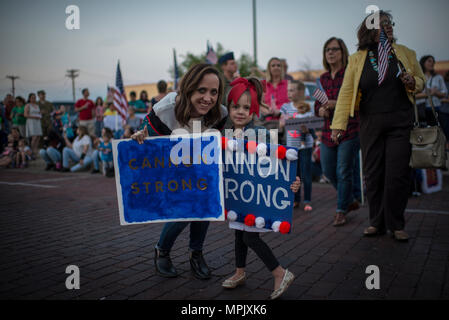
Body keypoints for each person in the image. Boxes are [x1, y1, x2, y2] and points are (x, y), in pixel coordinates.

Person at [330, 11, 425, 241]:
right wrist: (338, 125)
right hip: (370, 122)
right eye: (382, 24)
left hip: (400, 121)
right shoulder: (357, 58)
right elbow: (347, 92)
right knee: (373, 174)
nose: (388, 26)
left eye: (389, 23)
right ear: (370, 31)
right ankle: (376, 222)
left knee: (397, 174)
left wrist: (413, 82)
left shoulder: (406, 53)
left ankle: (397, 224)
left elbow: (421, 82)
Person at [131, 63, 228, 279]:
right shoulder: (165, 109)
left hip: (198, 165)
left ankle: (196, 253)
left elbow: (215, 145)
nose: (208, 98)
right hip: (171, 167)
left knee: (205, 203)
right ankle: (162, 250)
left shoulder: (220, 113)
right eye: (201, 90)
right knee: (186, 209)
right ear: (189, 88)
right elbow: (149, 142)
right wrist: (140, 137)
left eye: (214, 92)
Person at [220, 76, 300, 299]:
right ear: (229, 107)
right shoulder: (225, 133)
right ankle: (239, 272)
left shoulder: (261, 133)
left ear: (254, 110)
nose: (241, 111)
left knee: (250, 238)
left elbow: (280, 165)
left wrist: (292, 182)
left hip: (256, 198)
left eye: (247, 107)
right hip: (240, 196)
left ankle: (279, 272)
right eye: (236, 106)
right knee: (239, 233)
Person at [314, 37, 361, 227]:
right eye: (327, 50)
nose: (331, 53)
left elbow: (357, 101)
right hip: (327, 131)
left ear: (343, 52)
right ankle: (349, 200)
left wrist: (337, 104)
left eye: (335, 49)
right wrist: (321, 110)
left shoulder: (350, 74)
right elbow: (317, 104)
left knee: (343, 171)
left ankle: (341, 210)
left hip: (349, 130)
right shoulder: (323, 78)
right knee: (327, 170)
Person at [280, 80, 314, 211]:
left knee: (306, 173)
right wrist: (285, 122)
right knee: (295, 174)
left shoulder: (307, 106)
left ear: (300, 92)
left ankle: (307, 200)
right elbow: (281, 124)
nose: (289, 93)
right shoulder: (285, 107)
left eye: (292, 90)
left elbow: (311, 125)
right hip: (291, 146)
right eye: (288, 90)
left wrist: (306, 128)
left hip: (305, 145)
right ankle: (296, 199)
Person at [415, 55, 448, 126]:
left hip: (438, 109)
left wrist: (435, 92)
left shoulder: (438, 77)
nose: (432, 63)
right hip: (423, 111)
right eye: (429, 61)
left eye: (433, 61)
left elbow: (444, 94)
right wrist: (428, 94)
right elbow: (413, 95)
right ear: (423, 62)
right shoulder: (418, 78)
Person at [261, 57, 290, 127]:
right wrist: (266, 110)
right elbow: (260, 103)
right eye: (273, 65)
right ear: (269, 69)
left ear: (282, 68)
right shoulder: (263, 84)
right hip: (267, 122)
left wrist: (280, 111)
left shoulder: (288, 84)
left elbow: (293, 103)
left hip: (285, 122)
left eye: (278, 65)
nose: (276, 67)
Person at [24, 93, 42, 157]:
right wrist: (34, 117)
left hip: (37, 122)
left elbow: (39, 113)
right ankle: (31, 151)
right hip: (31, 122)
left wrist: (40, 115)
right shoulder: (27, 105)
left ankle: (35, 150)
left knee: (38, 137)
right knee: (34, 137)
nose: (33, 99)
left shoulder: (37, 105)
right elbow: (25, 115)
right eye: (32, 97)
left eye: (34, 97)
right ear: (29, 98)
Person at [440, 71, 449, 147]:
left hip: (444, 110)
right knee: (445, 130)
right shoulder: (444, 84)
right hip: (444, 111)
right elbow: (440, 99)